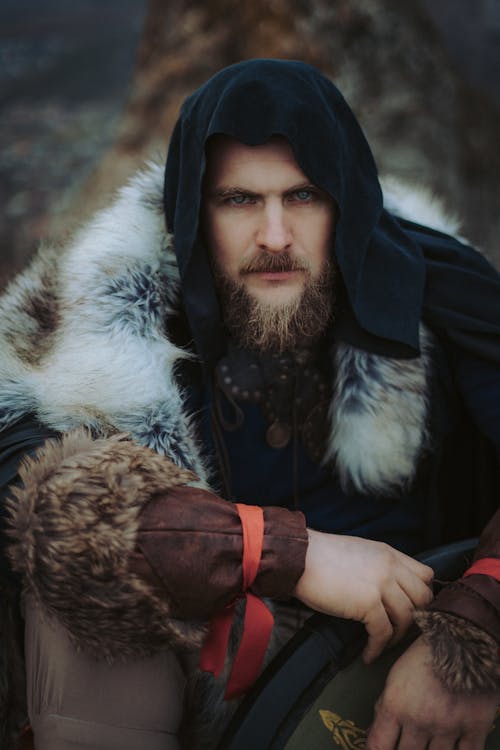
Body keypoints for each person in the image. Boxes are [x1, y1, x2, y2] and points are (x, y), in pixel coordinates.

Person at [0, 59, 499, 750]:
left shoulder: (439, 291)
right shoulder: (101, 314)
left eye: (303, 196)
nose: (273, 236)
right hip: (185, 644)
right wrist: (280, 551)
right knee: (80, 581)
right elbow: (25, 481)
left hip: (389, 650)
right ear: (193, 212)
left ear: (345, 202)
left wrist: (470, 636)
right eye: (239, 200)